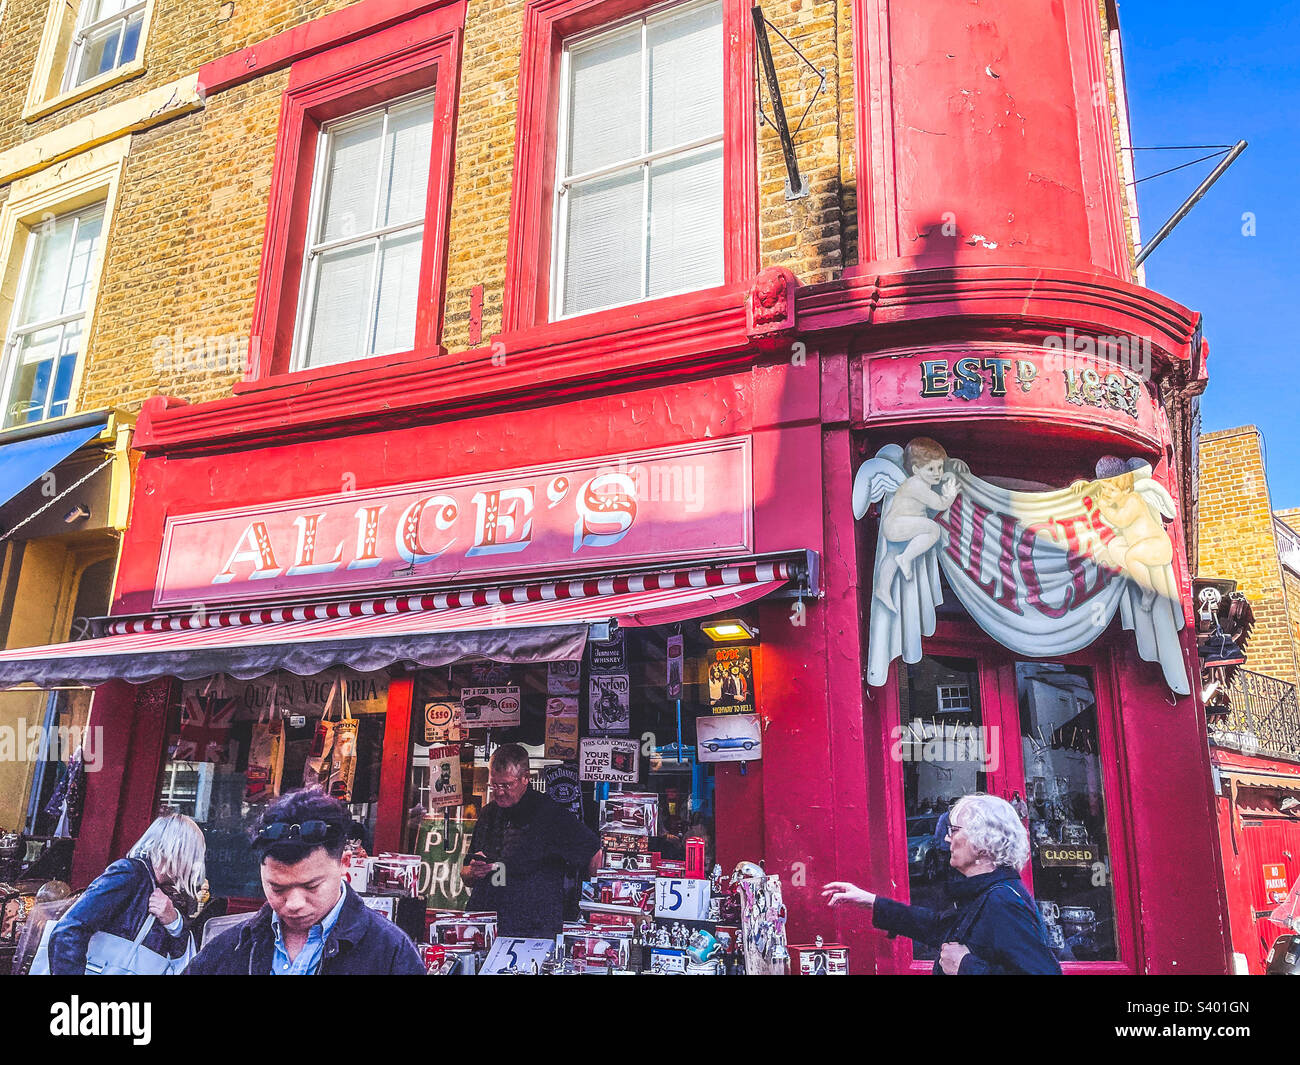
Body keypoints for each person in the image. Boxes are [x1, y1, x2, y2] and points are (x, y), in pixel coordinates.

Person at [185, 788, 424, 974]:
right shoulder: (228, 949)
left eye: (312, 886)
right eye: (277, 888)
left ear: (345, 863)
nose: (294, 903)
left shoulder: (391, 952)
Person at [822, 793, 1061, 975]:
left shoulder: (1002, 901)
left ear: (982, 842)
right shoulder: (985, 892)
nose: (947, 838)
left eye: (954, 830)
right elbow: (938, 926)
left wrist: (966, 967)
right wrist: (870, 902)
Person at [462, 744, 601, 939]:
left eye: (506, 785)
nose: (499, 792)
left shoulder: (549, 814)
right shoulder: (488, 813)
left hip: (531, 929)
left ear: (526, 778)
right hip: (485, 925)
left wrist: (596, 910)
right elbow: (466, 874)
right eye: (494, 785)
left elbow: (594, 851)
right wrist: (473, 871)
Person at [48, 811, 205, 974]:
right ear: (178, 850)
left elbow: (179, 958)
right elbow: (70, 929)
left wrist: (174, 921)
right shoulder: (130, 873)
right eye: (193, 854)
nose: (194, 864)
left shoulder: (171, 894)